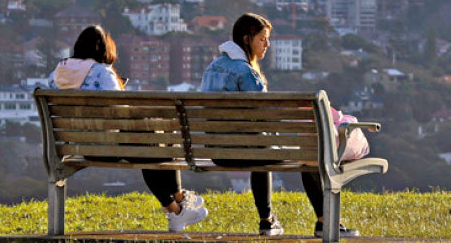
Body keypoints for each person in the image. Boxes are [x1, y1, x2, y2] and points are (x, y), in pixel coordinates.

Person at [200, 13, 358, 238]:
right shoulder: (247, 73)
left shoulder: (212, 68)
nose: (267, 44)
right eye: (262, 39)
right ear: (247, 39)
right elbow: (266, 116)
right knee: (311, 154)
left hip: (217, 151)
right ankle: (325, 222)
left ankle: (267, 220)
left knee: (260, 150)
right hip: (248, 151)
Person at [46, 25, 207, 232]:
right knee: (158, 140)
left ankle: (179, 204)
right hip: (110, 148)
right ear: (104, 50)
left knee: (154, 141)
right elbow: (121, 115)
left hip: (77, 148)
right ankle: (177, 207)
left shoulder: (56, 74)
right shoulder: (103, 73)